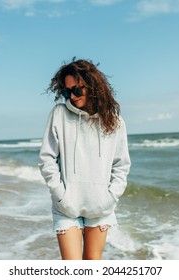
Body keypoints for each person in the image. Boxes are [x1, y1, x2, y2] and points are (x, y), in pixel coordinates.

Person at [38, 58, 131, 260]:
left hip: (101, 207)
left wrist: (110, 197)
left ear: (92, 86)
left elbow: (121, 164)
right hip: (66, 206)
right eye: (66, 91)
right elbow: (47, 159)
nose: (71, 96)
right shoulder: (59, 114)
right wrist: (60, 195)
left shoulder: (114, 121)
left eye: (77, 90)